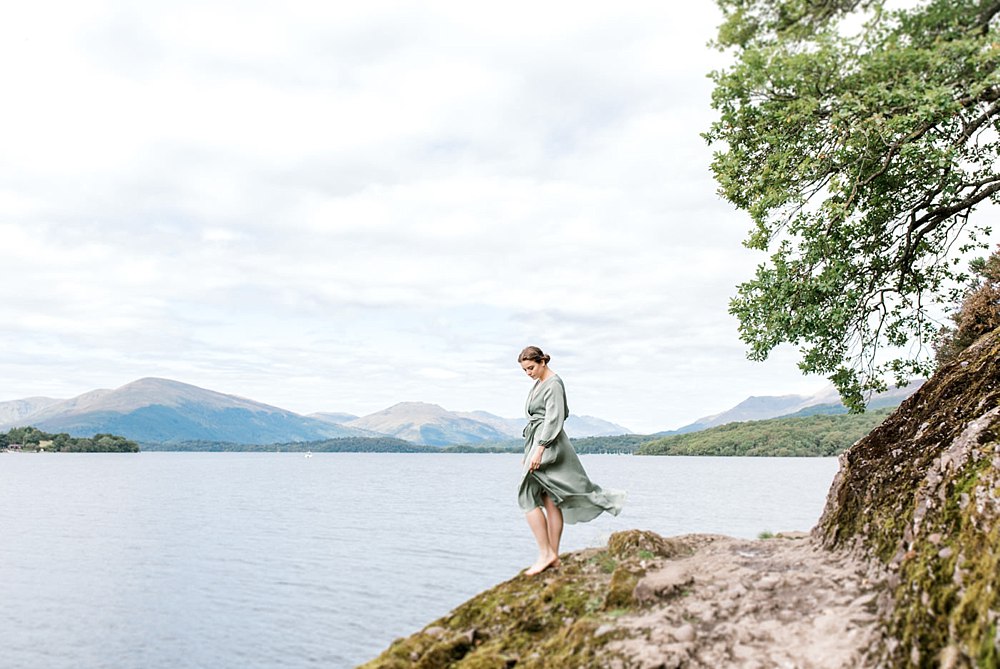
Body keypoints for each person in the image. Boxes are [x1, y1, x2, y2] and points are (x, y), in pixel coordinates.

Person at [517, 345, 625, 575]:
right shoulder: (540, 383)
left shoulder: (554, 383)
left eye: (531, 368)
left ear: (542, 362)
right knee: (549, 498)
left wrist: (539, 450)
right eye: (525, 370)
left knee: (526, 496)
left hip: (547, 444)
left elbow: (556, 417)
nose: (528, 373)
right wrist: (529, 452)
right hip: (538, 442)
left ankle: (545, 553)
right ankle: (553, 556)